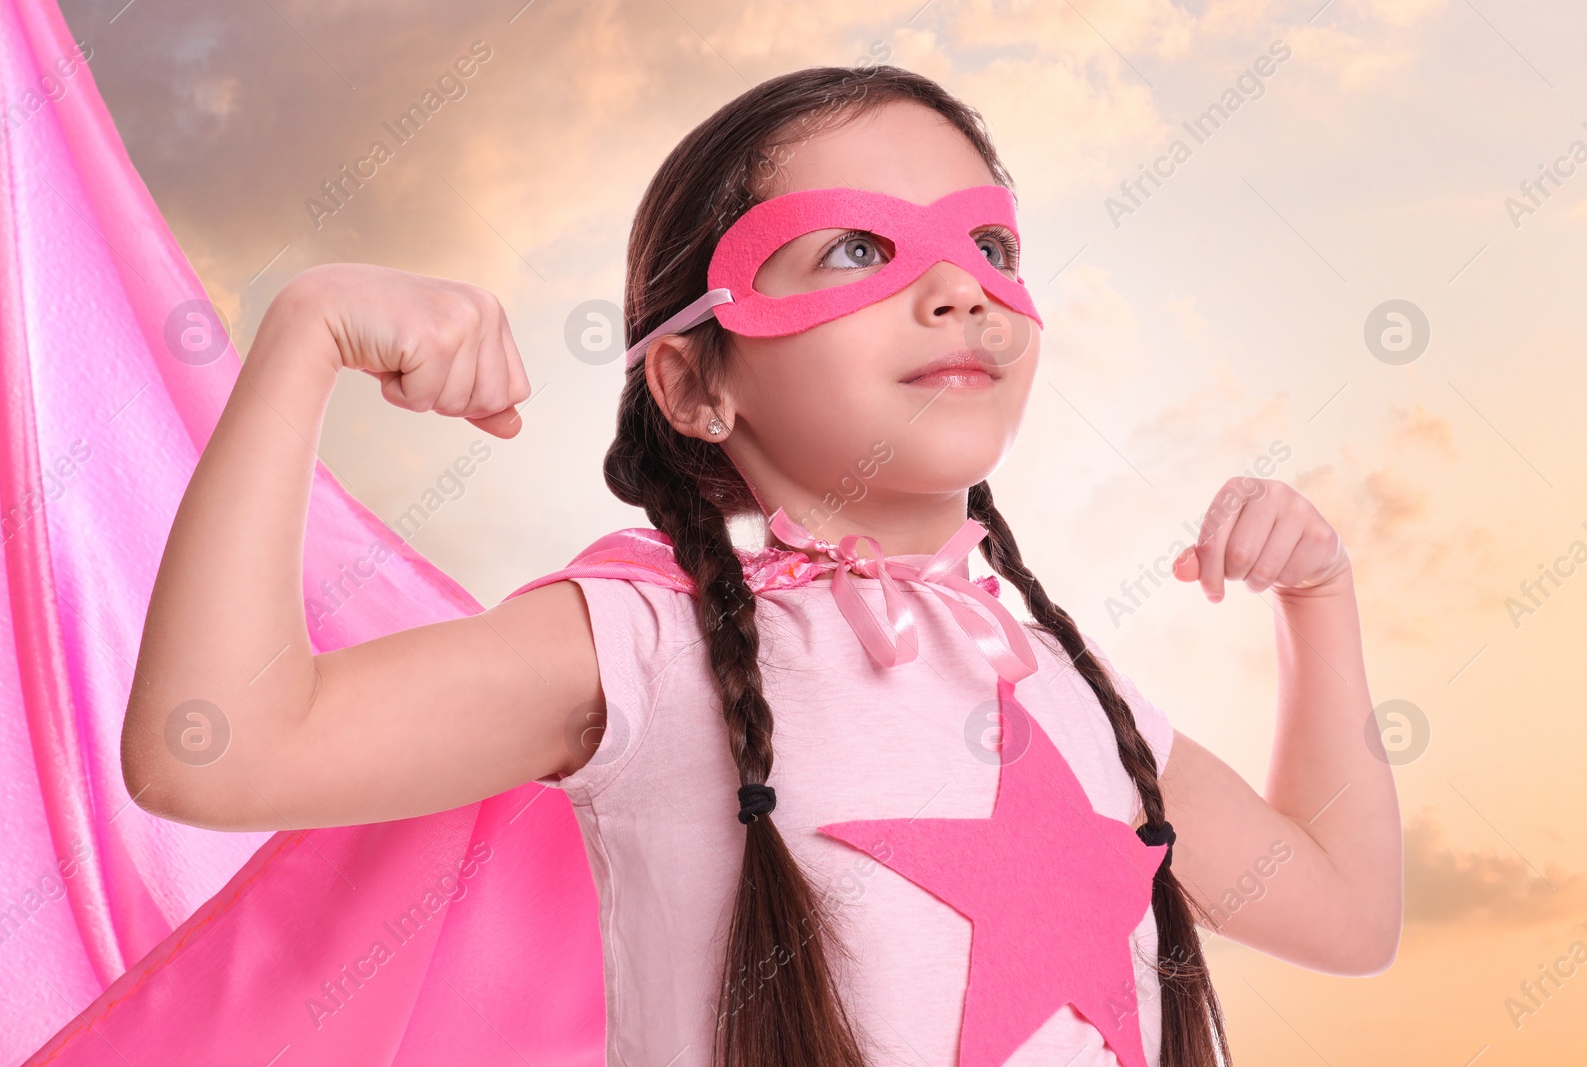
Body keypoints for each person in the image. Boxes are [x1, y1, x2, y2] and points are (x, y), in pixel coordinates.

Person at [120, 65, 1400, 1067]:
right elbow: (210, 746)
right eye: (856, 248)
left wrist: (1320, 600)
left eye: (989, 247)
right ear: (693, 380)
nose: (956, 289)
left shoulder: (1064, 682)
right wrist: (304, 337)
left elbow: (1344, 912)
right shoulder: (643, 637)